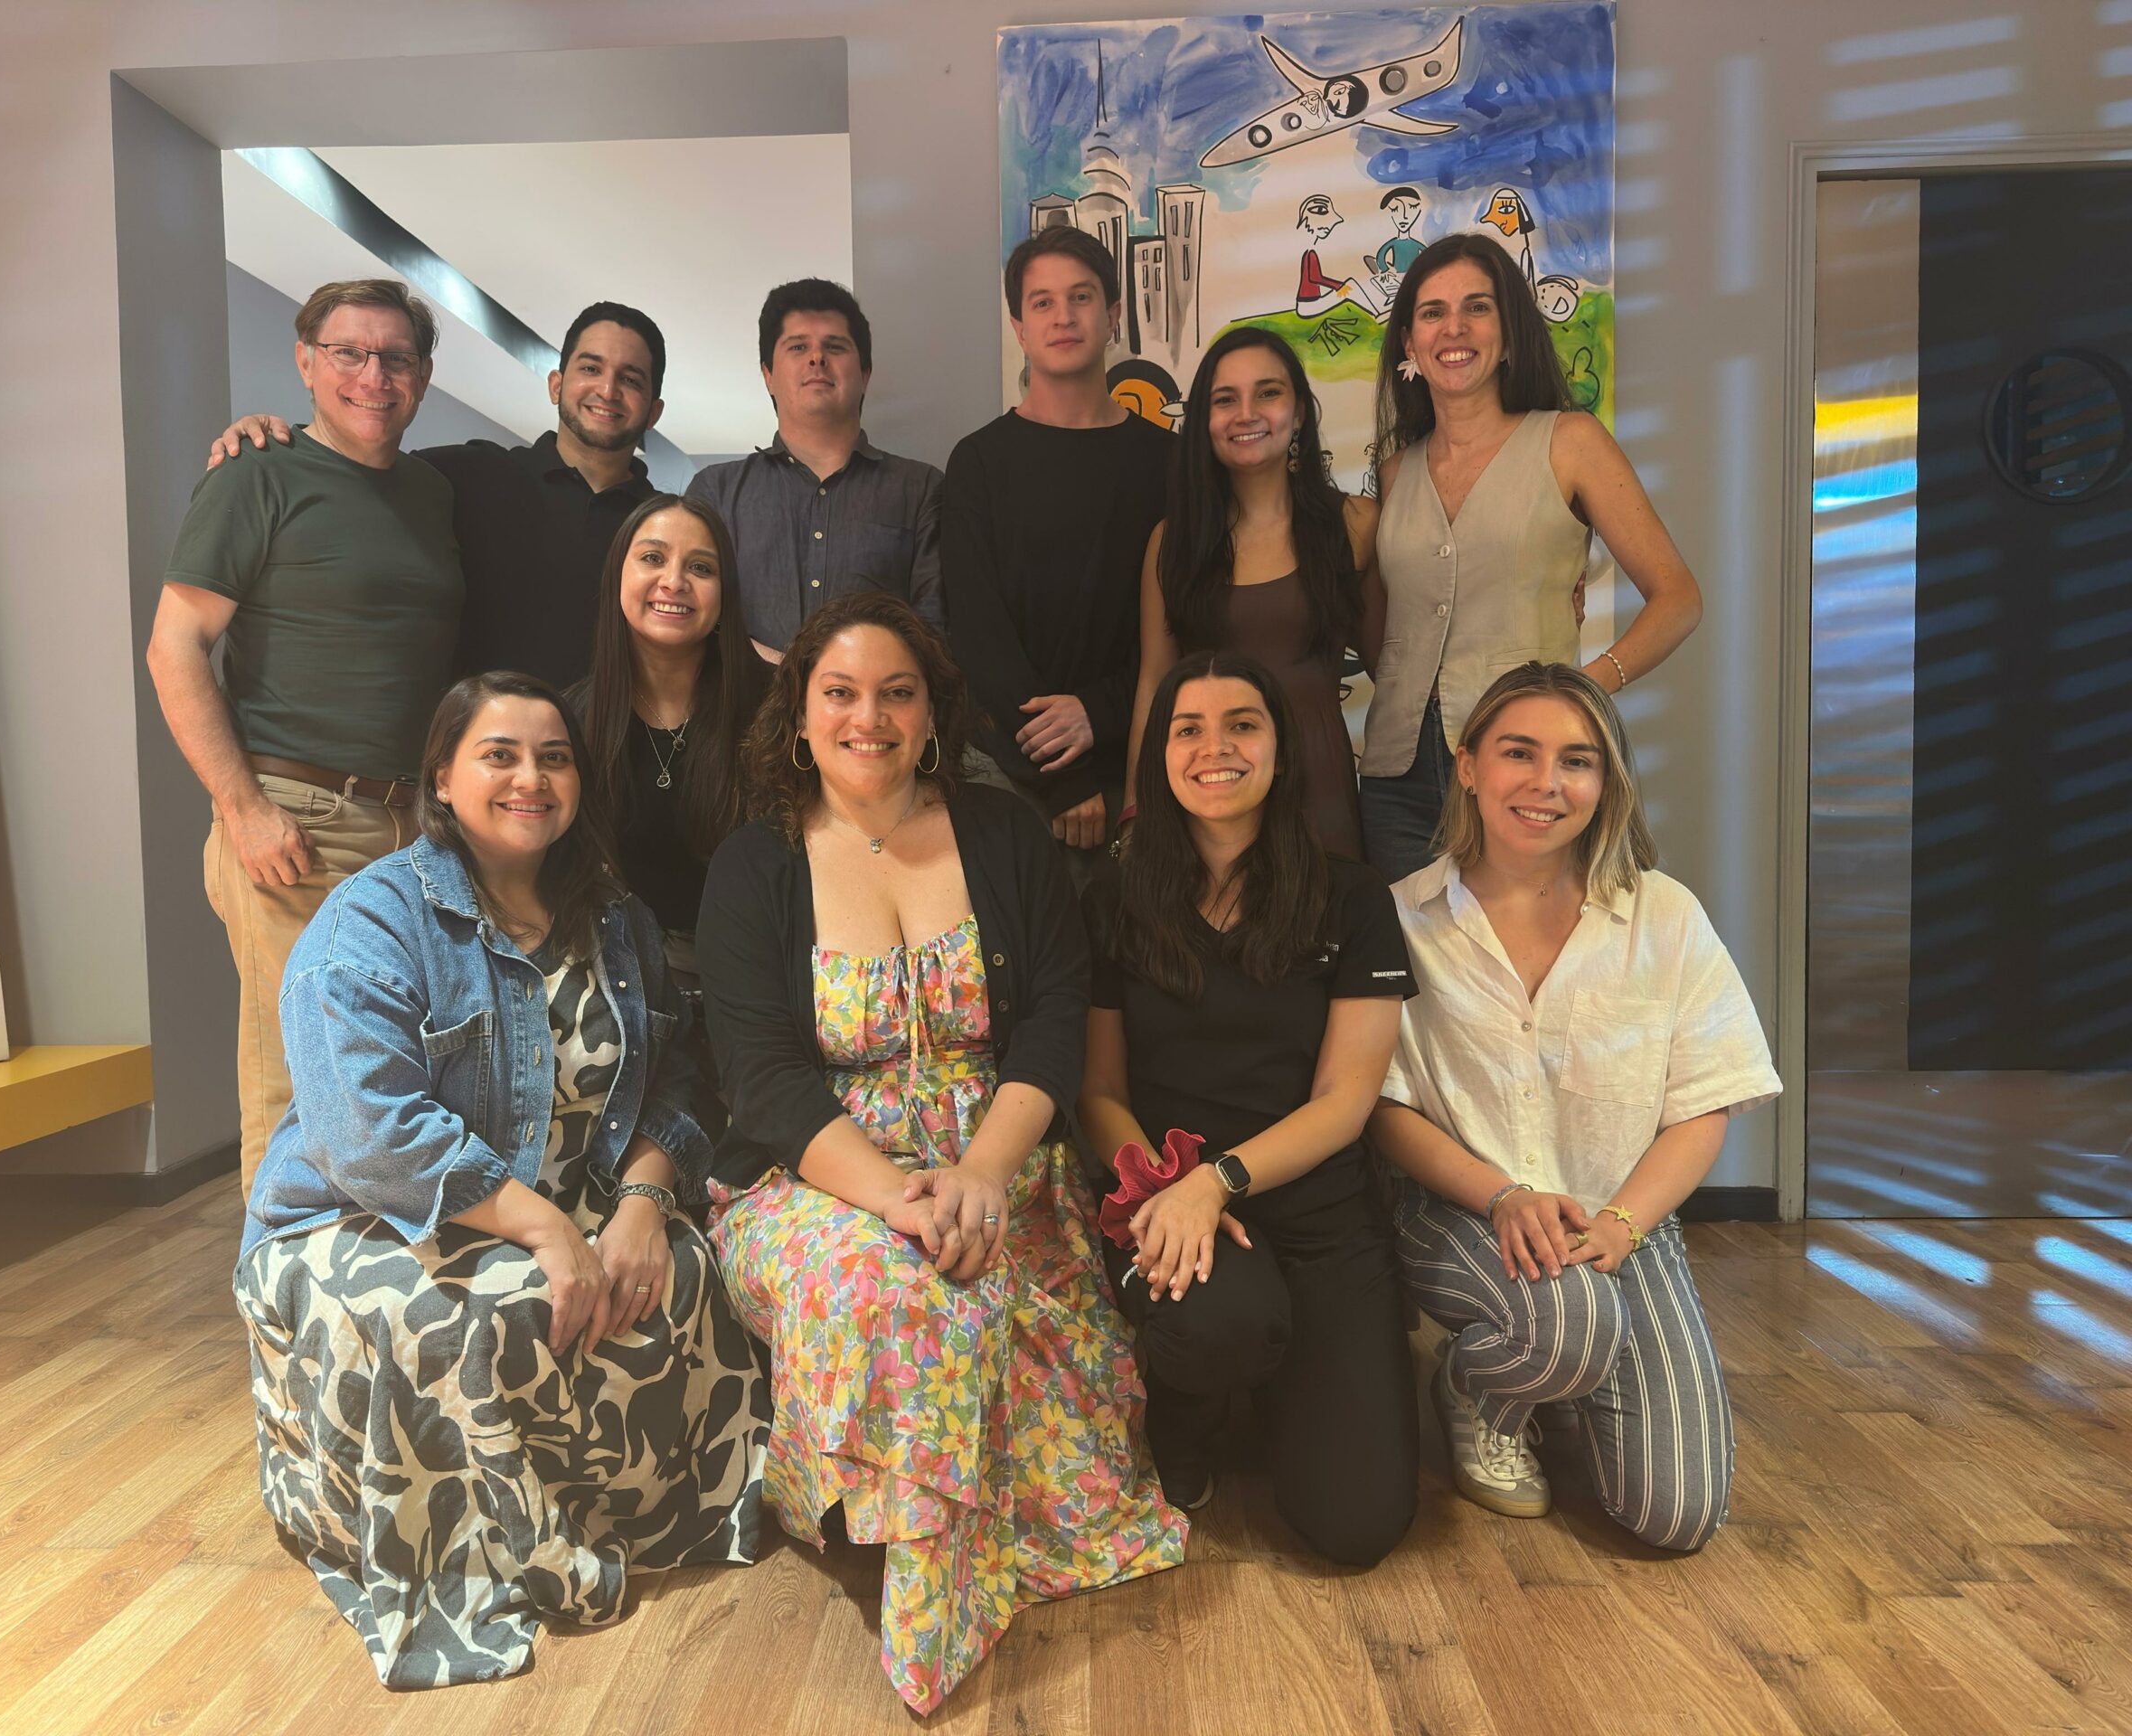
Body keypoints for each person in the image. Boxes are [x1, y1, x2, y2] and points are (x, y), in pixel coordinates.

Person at [695, 593, 1184, 1714]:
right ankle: (933, 1600)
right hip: (819, 1177)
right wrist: (899, 1203)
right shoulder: (751, 866)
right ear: (799, 715)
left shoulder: (1004, 834)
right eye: (840, 693)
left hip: (998, 1164)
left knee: (1023, 1365)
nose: (867, 717)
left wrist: (981, 1176)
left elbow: (1054, 1019)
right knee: (907, 1296)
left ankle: (913, 1521)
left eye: (896, 693)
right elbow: (763, 1078)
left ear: (931, 715)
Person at [235, 671, 768, 1690]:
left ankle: (639, 1520)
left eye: (553, 758)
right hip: (362, 1218)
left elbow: (680, 1080)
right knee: (473, 1311)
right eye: (500, 755)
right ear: (441, 776)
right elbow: (365, 1132)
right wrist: (547, 1229)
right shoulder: (371, 919)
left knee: (689, 1267)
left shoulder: (615, 918)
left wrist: (644, 1205)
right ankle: (484, 1561)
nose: (532, 778)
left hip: (574, 1194)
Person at [1369, 662, 1780, 1551]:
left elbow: (1703, 1101)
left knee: (1675, 1515)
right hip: (1463, 1215)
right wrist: (1501, 1196)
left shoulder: (1663, 915)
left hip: (1621, 1221)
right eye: (1519, 753)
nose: (1546, 783)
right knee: (1568, 1324)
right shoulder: (1399, 919)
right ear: (1468, 765)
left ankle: (1554, 1370)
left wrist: (1625, 1224)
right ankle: (1479, 1389)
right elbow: (1383, 1108)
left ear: (1606, 781)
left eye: (1577, 761)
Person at [1080, 652, 1418, 1564]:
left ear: (1282, 747)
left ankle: (1278, 1383)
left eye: (1242, 724)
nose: (1215, 747)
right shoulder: (1112, 895)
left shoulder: (1352, 897)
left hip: (1316, 1213)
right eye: (1187, 729)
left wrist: (1218, 1182)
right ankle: (1187, 1410)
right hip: (1163, 1200)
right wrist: (1168, 1194)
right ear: (1158, 756)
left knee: (1357, 1525)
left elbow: (1346, 1100)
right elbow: (1099, 1092)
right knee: (1221, 1324)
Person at [147, 278, 463, 1194]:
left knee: (394, 1075)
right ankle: (277, 1283)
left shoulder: (432, 492)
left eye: (395, 357)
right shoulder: (256, 473)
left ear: (423, 375)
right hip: (298, 823)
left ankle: (367, 1277)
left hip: (412, 828)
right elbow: (174, 648)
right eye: (348, 353)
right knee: (298, 1081)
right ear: (305, 363)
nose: (373, 375)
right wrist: (242, 808)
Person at [1359, 234, 1703, 881]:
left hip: (1528, 769)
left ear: (1510, 333)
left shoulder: (1570, 442)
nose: (1454, 328)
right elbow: (1386, 630)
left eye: (1477, 307)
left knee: (1524, 942)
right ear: (1409, 343)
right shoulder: (1395, 472)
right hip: (1396, 781)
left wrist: (1584, 689)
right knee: (1408, 946)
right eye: (1432, 312)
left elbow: (1678, 597)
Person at [209, 301, 667, 689]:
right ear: (556, 384)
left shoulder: (666, 529)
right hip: (466, 759)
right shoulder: (460, 475)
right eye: (590, 368)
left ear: (654, 412)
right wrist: (274, 438)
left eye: (631, 379)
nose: (607, 390)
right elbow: (353, 467)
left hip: (608, 761)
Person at [945, 228, 1172, 858]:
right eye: (1042, 302)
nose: (1063, 316)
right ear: (1019, 328)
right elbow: (977, 632)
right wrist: (1061, 775)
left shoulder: (1170, 463)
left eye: (1081, 297)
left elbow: (1186, 621)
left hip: (1142, 764)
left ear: (1113, 316)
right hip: (1007, 774)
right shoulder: (979, 462)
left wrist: (1097, 712)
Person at [1126, 327, 1373, 860]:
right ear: (1203, 421)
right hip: (1210, 790)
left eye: (1268, 392)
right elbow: (1155, 684)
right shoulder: (1172, 542)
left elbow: (1397, 668)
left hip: (1320, 786)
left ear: (1299, 412)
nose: (1246, 413)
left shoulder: (1355, 523)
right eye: (1225, 399)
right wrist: (1135, 811)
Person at [564, 492, 768, 1107]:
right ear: (618, 576)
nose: (674, 582)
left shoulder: (780, 709)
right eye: (653, 558)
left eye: (700, 567)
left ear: (725, 593)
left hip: (768, 986)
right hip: (625, 991)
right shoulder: (572, 719)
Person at [686, 278, 942, 657]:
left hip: (877, 697)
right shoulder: (715, 492)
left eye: (835, 347)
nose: (817, 358)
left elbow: (934, 632)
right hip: (744, 698)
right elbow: (691, 620)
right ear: (768, 375)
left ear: (865, 375)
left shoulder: (920, 489)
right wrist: (779, 669)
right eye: (798, 346)